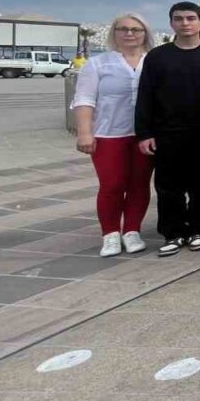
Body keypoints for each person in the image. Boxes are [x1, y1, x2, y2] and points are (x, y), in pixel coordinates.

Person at [135, 2, 200, 256]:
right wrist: (144, 133)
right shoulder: (157, 57)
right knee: (168, 187)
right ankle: (173, 233)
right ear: (172, 23)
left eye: (191, 18)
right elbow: (145, 96)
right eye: (179, 19)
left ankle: (198, 230)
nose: (185, 23)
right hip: (167, 132)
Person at [72, 13, 154, 257]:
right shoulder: (98, 64)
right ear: (114, 33)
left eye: (136, 29)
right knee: (112, 185)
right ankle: (110, 233)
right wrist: (84, 133)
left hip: (144, 135)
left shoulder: (153, 62)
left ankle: (132, 230)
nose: (129, 34)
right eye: (123, 29)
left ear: (145, 34)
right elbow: (84, 99)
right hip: (108, 135)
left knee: (139, 184)